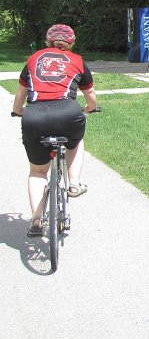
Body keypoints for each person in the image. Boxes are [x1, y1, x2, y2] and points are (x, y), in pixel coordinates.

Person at [11, 24, 98, 237]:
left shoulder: (33, 59)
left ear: (48, 42)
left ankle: (37, 221)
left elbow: (22, 92)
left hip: (34, 116)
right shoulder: (76, 60)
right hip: (68, 113)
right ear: (71, 43)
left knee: (38, 171)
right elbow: (90, 93)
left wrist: (17, 111)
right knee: (75, 141)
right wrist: (91, 108)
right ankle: (74, 183)